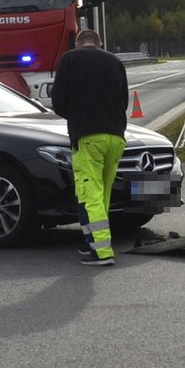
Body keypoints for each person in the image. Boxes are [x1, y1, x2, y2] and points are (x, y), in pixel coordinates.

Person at [51, 29, 129, 266]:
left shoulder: (70, 60)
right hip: (116, 138)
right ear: (99, 43)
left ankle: (102, 252)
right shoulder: (115, 62)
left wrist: (75, 115)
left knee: (89, 193)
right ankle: (90, 240)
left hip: (88, 137)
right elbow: (124, 101)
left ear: (78, 44)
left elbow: (58, 101)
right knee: (102, 195)